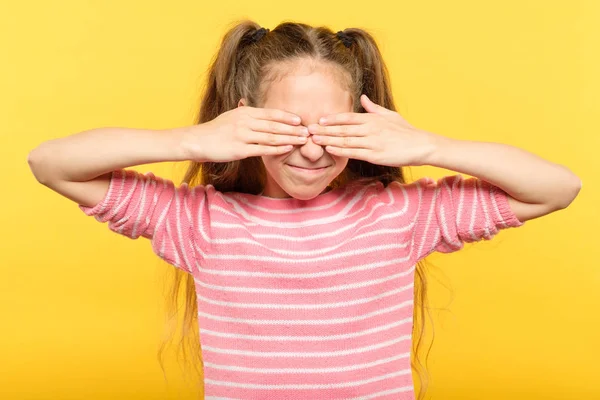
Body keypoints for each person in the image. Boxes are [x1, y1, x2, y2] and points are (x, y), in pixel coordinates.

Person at [27, 20, 581, 400]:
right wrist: (191, 140)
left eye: (333, 130)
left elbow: (557, 187)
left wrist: (431, 148)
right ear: (244, 120)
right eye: (285, 128)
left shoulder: (400, 215)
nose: (312, 150)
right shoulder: (199, 222)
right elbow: (51, 163)